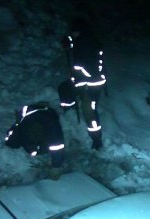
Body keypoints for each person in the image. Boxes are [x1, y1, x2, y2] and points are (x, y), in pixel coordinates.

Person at [59, 18, 106, 150]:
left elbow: (87, 70)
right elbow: (72, 40)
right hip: (83, 81)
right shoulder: (83, 38)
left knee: (90, 111)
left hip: (91, 83)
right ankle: (69, 113)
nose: (73, 34)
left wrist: (77, 79)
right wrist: (68, 41)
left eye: (74, 32)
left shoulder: (87, 45)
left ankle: (97, 140)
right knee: (63, 89)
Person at [4, 102, 65, 174]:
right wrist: (17, 124)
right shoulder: (23, 128)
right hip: (31, 120)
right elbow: (11, 141)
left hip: (45, 118)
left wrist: (56, 167)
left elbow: (57, 146)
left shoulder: (51, 124)